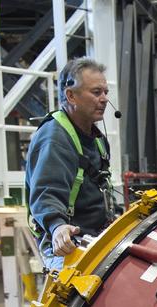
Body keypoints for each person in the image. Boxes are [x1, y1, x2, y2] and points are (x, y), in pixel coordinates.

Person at [25, 57, 115, 269]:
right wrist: (57, 228)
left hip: (96, 239)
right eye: (96, 92)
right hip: (68, 246)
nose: (104, 99)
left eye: (105, 92)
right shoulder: (54, 138)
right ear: (71, 96)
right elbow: (46, 193)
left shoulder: (97, 139)